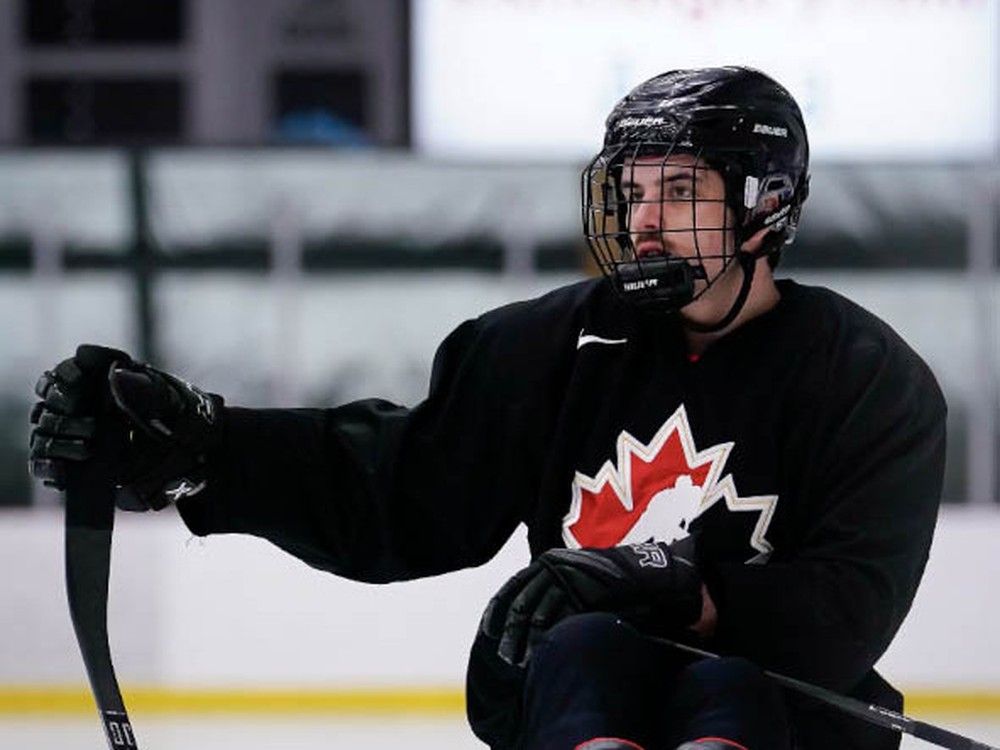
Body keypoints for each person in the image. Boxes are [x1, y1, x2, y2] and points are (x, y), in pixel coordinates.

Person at [28, 67, 946, 750]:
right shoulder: (551, 346)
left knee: (732, 692)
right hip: (583, 695)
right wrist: (207, 448)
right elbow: (404, 492)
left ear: (764, 207)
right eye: (631, 193)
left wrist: (666, 583)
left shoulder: (865, 379)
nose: (646, 223)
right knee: (583, 652)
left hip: (780, 707)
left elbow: (845, 612)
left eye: (680, 190)